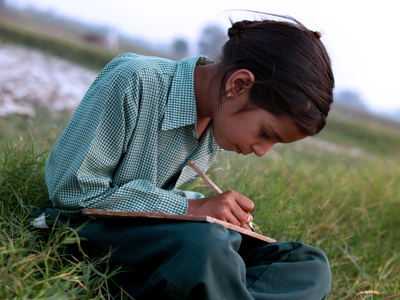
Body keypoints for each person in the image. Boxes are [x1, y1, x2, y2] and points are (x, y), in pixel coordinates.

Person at [31, 14, 334, 300]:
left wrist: (212, 216)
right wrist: (192, 207)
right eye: (266, 134)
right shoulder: (134, 80)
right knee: (208, 246)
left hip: (159, 241)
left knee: (308, 265)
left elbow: (161, 205)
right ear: (238, 85)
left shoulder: (217, 122)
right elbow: (72, 193)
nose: (261, 150)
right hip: (80, 231)